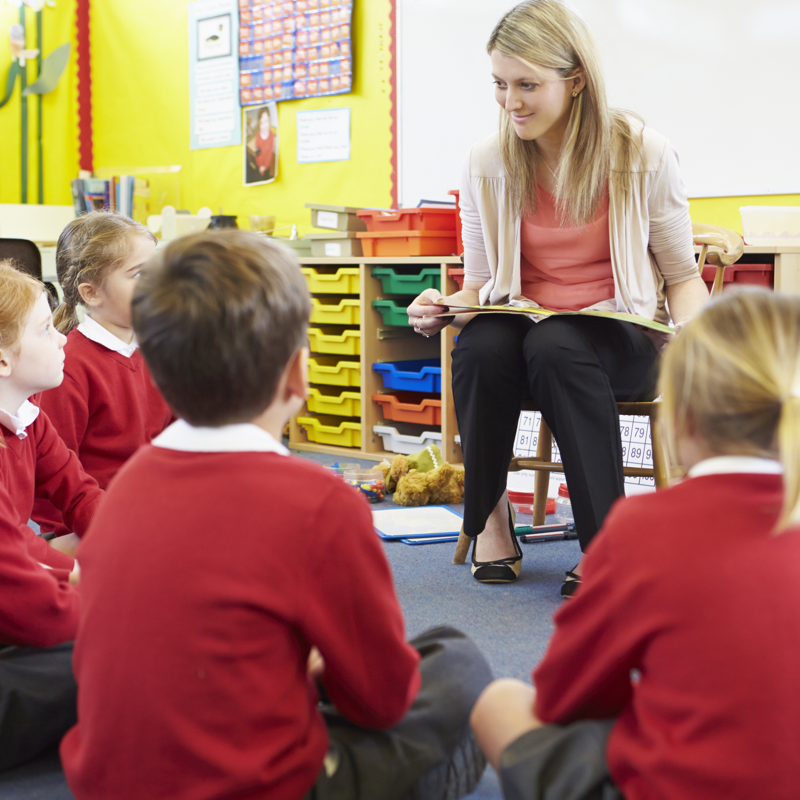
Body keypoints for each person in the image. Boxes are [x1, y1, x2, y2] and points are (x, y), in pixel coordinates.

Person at [60, 231, 492, 800]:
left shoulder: (121, 493)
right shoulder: (321, 501)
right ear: (296, 376)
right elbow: (381, 700)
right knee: (457, 661)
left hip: (109, 780)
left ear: (160, 374)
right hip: (258, 782)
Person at [407, 0, 708, 594]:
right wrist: (443, 305)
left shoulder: (643, 154)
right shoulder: (486, 162)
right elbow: (483, 281)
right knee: (481, 343)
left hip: (621, 340)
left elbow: (681, 276)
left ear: (574, 82)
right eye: (499, 83)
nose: (510, 102)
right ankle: (492, 519)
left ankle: (606, 544)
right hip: (528, 334)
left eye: (527, 85)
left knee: (556, 342)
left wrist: (703, 355)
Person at [468, 288, 800, 800]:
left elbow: (565, 697)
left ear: (680, 419)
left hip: (661, 782)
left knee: (499, 700)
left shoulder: (642, 528)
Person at [0, 261, 97, 771]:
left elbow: (81, 494)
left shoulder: (27, 414)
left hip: (15, 593)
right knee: (113, 653)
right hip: (13, 608)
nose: (63, 337)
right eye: (44, 328)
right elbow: (30, 605)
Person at [32, 212, 172, 541]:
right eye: (139, 275)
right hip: (89, 526)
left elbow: (179, 438)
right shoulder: (68, 369)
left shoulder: (159, 352)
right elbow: (50, 475)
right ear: (91, 293)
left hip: (150, 505)